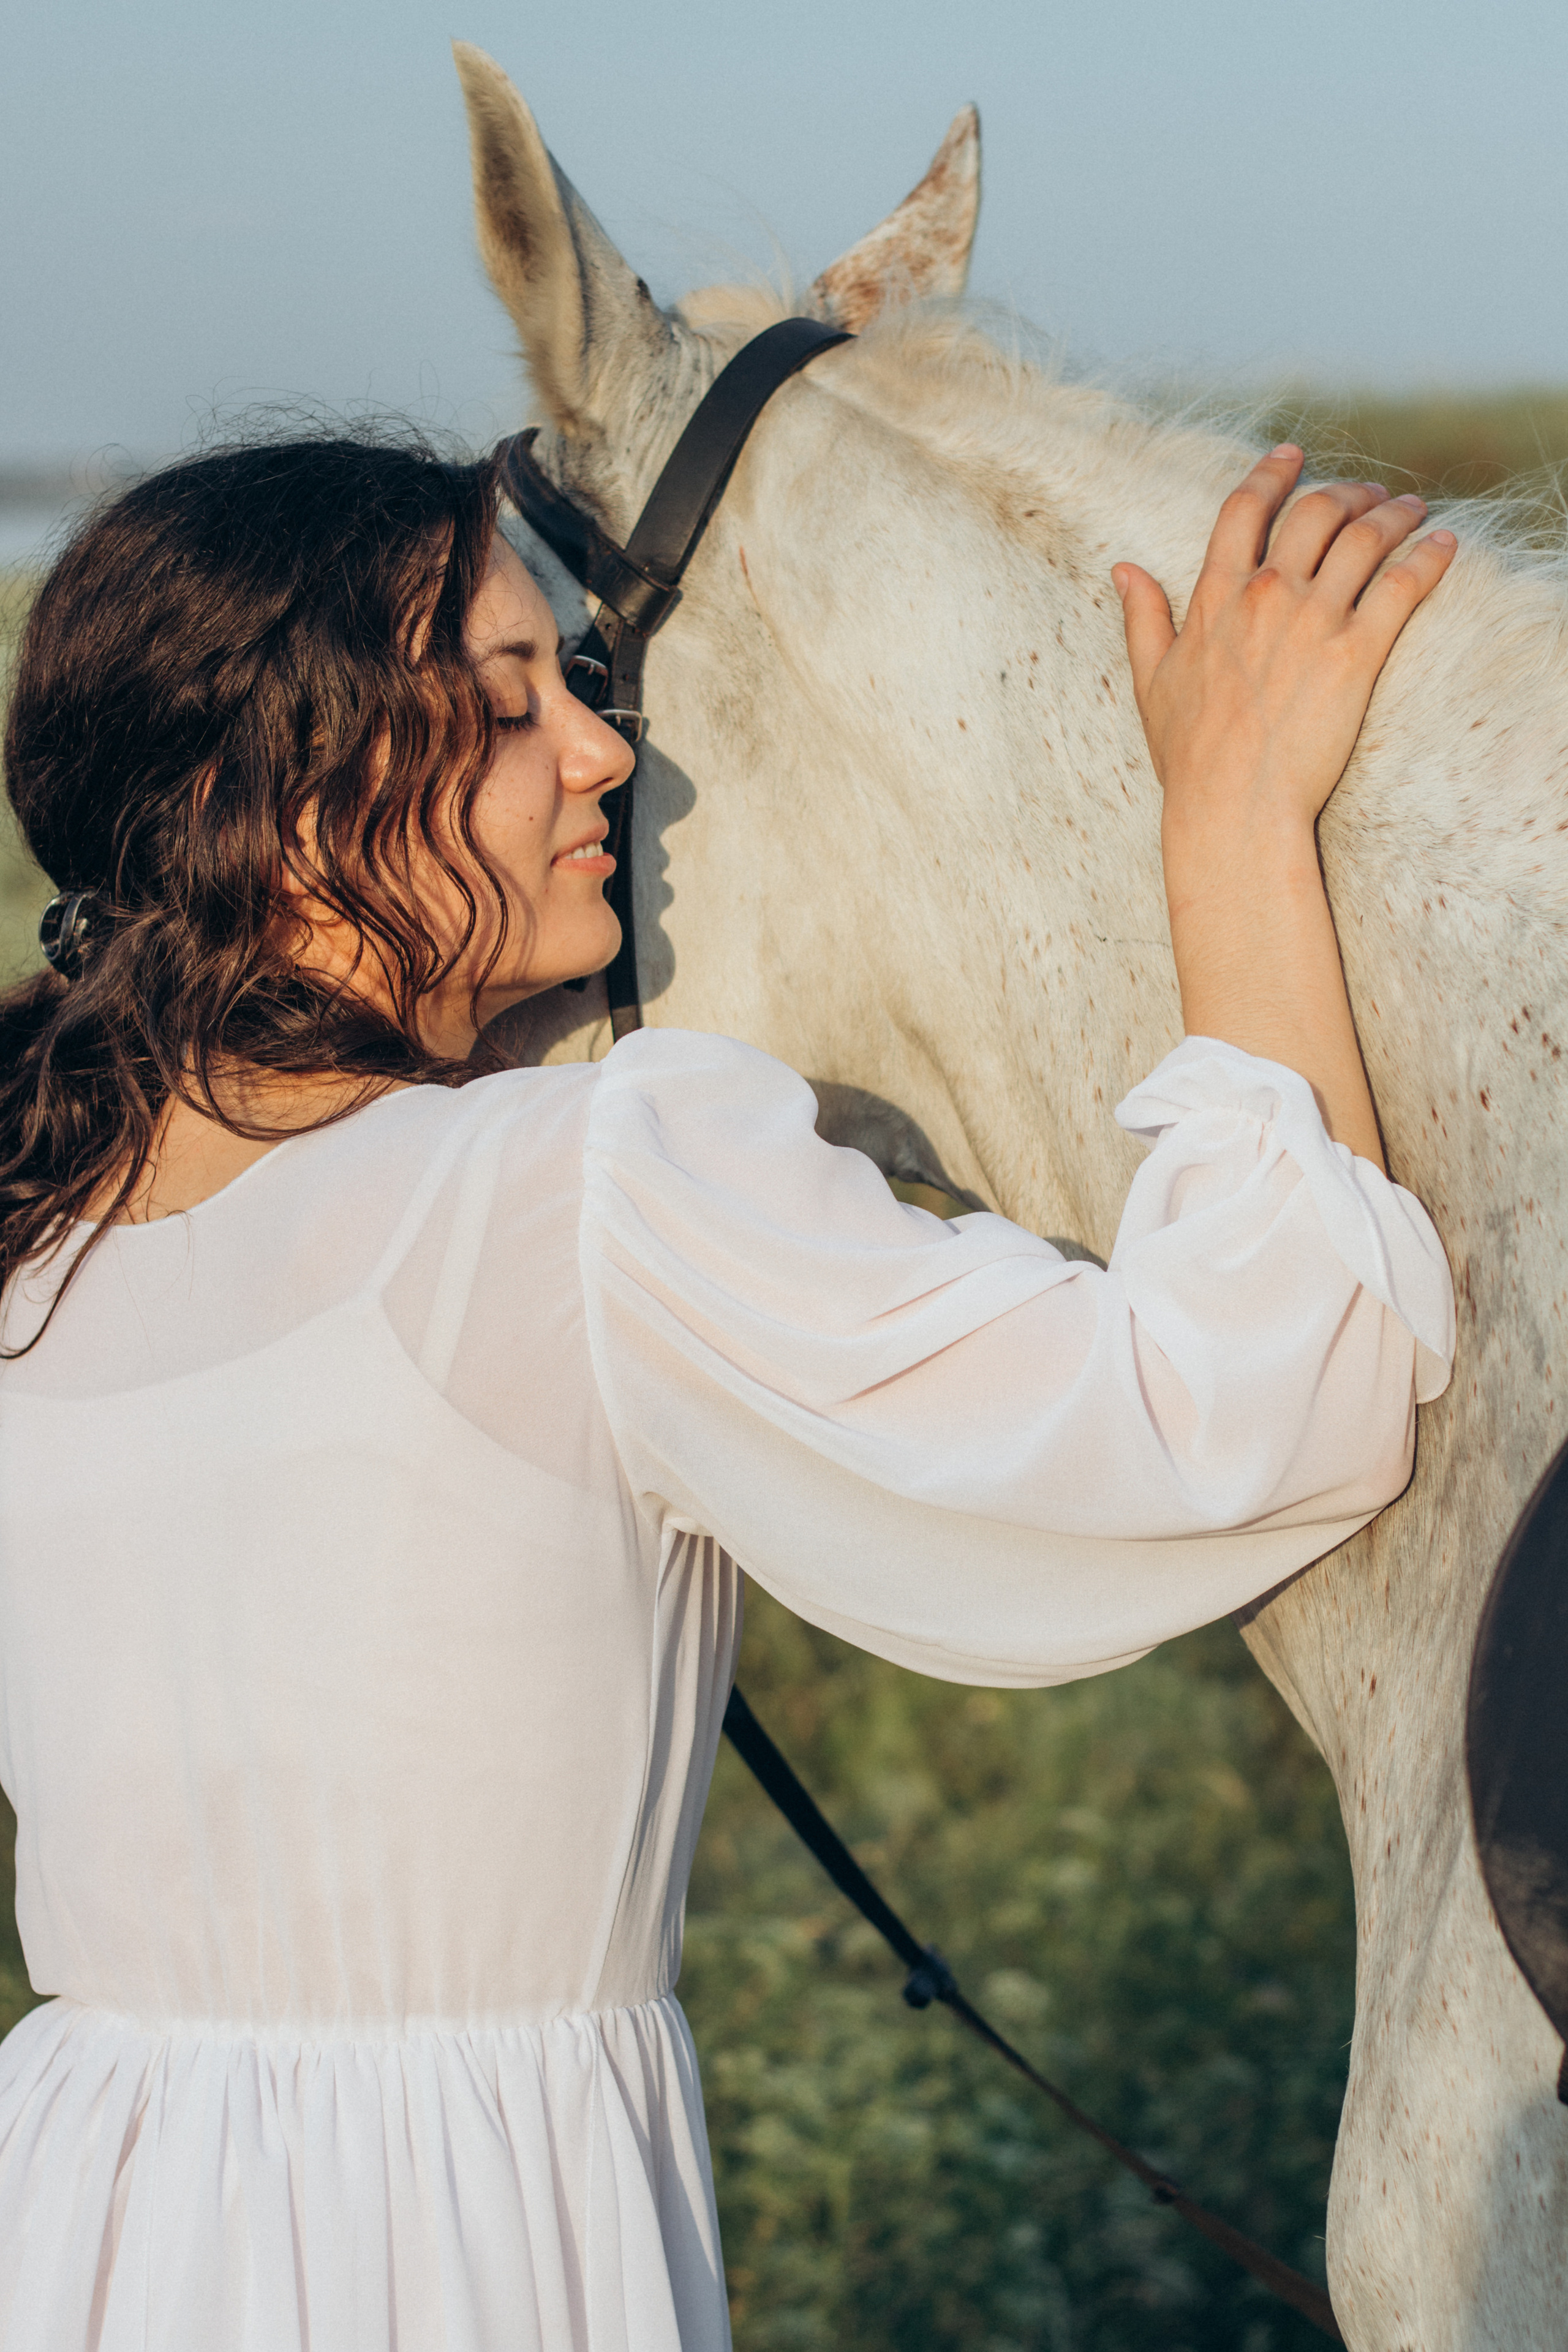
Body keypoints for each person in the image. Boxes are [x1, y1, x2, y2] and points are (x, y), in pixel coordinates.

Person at [0, 430, 1455, 2351]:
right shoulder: (579, 1188)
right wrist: (1237, 814)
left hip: (80, 2228)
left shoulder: (47, 1240)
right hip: (457, 2268)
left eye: (576, 687)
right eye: (508, 700)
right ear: (279, 799)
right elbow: (1249, 1407)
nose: (604, 753)